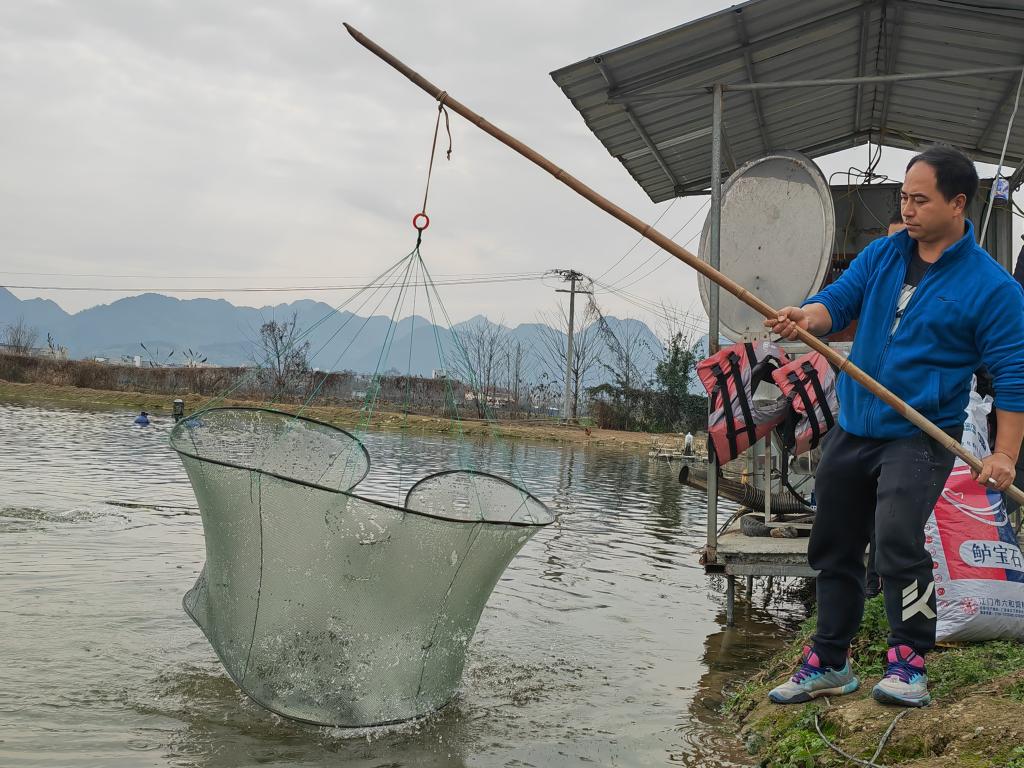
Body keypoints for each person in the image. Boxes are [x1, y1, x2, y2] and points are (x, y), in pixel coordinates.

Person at [765, 144, 1024, 708]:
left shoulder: (995, 289)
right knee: (832, 544)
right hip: (855, 425)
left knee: (897, 543)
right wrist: (804, 316)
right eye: (904, 198)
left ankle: (908, 662)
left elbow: (1012, 377)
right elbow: (838, 301)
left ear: (957, 204)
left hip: (919, 435)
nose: (907, 209)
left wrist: (1004, 454)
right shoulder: (884, 255)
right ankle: (830, 661)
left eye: (919, 199)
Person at [863, 208, 911, 600]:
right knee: (849, 516)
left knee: (892, 521)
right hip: (862, 421)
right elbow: (835, 302)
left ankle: (907, 644)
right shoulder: (879, 267)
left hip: (911, 427)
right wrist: (811, 316)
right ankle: (868, 584)